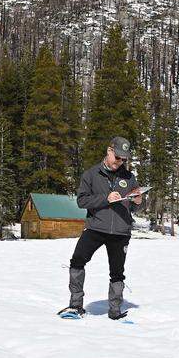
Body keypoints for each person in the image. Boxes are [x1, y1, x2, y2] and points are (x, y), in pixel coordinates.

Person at [60, 137, 144, 320]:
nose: (120, 162)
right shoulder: (90, 174)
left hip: (121, 232)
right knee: (77, 261)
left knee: (117, 272)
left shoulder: (129, 178)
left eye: (123, 159)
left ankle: (115, 311)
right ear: (109, 150)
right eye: (118, 157)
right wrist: (105, 198)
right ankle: (75, 306)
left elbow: (134, 206)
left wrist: (138, 201)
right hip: (95, 228)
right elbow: (82, 201)